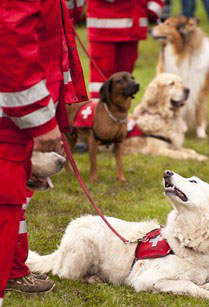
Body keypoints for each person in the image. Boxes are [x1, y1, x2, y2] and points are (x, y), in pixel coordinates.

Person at [0, 0, 88, 304]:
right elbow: (12, 43)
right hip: (12, 116)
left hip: (16, 113)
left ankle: (13, 268)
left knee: (15, 202)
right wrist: (38, 118)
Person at [86, 0, 164, 101]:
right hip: (104, 26)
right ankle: (98, 113)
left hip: (132, 26)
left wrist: (153, 6)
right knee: (101, 78)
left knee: (125, 78)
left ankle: (120, 113)